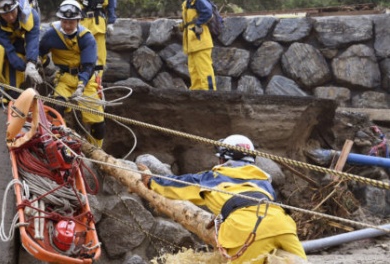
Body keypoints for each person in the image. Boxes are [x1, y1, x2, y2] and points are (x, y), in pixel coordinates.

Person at [139, 135, 306, 263]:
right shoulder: (263, 179)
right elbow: (250, 200)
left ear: (223, 159)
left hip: (248, 228)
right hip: (283, 224)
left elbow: (178, 185)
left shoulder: (212, 178)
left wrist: (151, 181)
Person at [39, 0, 105, 148]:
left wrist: (81, 85)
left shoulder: (86, 37)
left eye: (71, 22)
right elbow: (40, 51)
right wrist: (39, 63)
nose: (68, 26)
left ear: (78, 20)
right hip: (64, 79)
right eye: (65, 21)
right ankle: (58, 147)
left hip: (86, 81)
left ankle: (95, 151)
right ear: (60, 19)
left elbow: (88, 65)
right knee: (56, 109)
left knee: (99, 125)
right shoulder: (51, 35)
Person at [0, 0, 43, 99]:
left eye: (12, 12)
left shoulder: (32, 15)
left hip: (18, 40)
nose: (10, 17)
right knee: (13, 62)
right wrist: (24, 66)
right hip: (0, 45)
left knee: (38, 53)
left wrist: (31, 63)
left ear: (18, 7)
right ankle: (12, 90)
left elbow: (32, 40)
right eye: (5, 15)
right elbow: (8, 50)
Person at [77, 0, 116, 82]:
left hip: (98, 24)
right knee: (78, 55)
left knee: (99, 59)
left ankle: (97, 83)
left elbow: (111, 3)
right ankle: (79, 83)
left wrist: (111, 21)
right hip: (81, 23)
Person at [181, 0, 217, 90]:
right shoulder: (187, 3)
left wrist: (198, 23)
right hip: (191, 42)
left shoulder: (199, 1)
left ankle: (210, 92)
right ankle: (196, 92)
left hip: (201, 41)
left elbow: (208, 12)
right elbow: (188, 20)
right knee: (194, 70)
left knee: (204, 69)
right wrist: (180, 26)